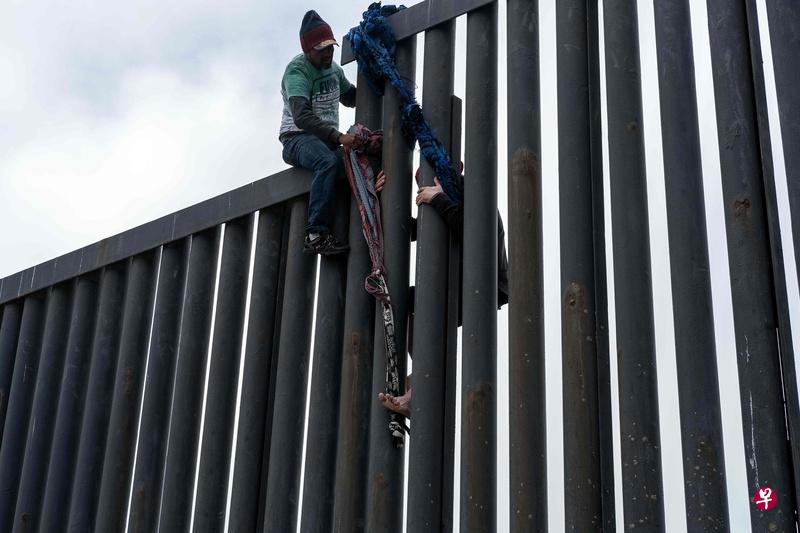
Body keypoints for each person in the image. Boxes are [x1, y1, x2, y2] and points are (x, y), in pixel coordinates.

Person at [375, 165, 510, 417]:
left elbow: (474, 234)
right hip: (458, 280)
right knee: (405, 304)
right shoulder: (440, 200)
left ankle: (418, 389)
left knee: (424, 312)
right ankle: (418, 384)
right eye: (419, 183)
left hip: (486, 283)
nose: (422, 187)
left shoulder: (476, 193)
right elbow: (409, 230)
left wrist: (438, 198)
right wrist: (380, 200)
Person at [279, 10, 360, 255]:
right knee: (326, 162)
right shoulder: (297, 71)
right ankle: (315, 234)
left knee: (355, 162)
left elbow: (352, 97)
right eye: (321, 49)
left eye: (330, 48)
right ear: (307, 49)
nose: (328, 53)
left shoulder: (334, 70)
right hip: (297, 139)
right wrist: (338, 137)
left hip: (325, 141)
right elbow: (301, 117)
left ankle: (366, 222)